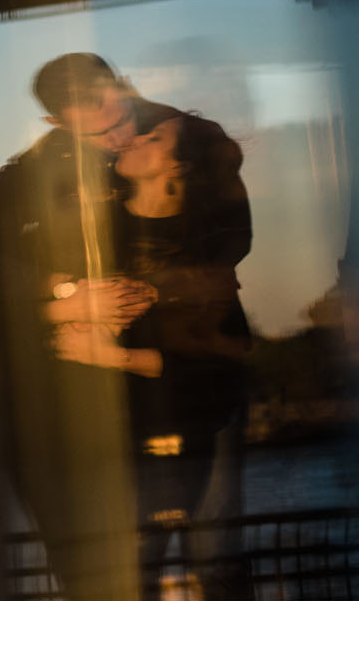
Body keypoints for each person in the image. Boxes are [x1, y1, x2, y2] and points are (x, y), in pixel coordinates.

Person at [52, 109, 252, 598]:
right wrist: (70, 296)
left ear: (178, 167)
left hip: (197, 428)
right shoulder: (96, 228)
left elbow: (216, 362)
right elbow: (57, 307)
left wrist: (109, 355)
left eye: (153, 136)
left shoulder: (207, 248)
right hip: (118, 434)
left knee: (212, 562)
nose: (131, 139)